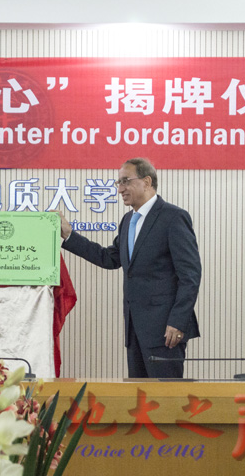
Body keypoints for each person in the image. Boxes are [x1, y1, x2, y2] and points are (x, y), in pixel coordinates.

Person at [58, 158, 201, 378]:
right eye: (118, 183)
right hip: (135, 330)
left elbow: (190, 275)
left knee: (165, 400)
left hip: (166, 331)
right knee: (140, 401)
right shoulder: (128, 221)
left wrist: (177, 322)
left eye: (125, 181)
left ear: (146, 181)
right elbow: (108, 258)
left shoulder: (173, 217)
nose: (120, 189)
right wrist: (69, 235)